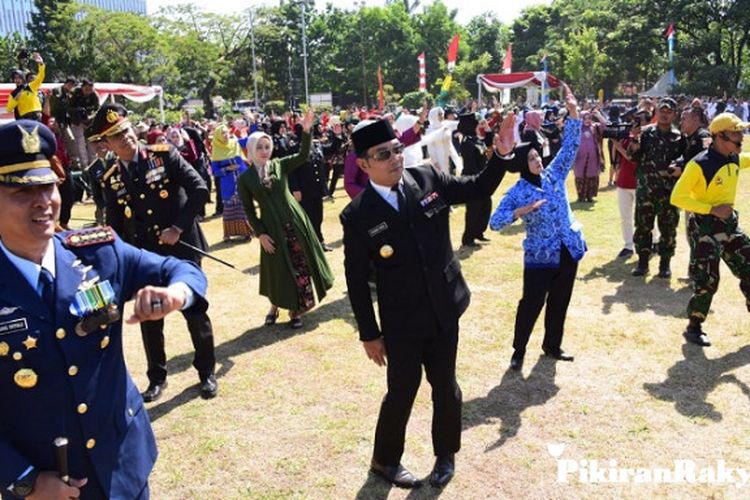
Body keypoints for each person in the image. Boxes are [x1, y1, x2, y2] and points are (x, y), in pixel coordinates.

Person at [0, 120, 208, 499]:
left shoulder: (96, 252)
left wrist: (176, 294)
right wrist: (23, 479)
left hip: (123, 468)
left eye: (48, 186)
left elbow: (180, 269)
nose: (43, 201)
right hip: (46, 487)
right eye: (21, 191)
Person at [340, 113, 520, 489]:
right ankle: (385, 461)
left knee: (446, 385)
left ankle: (445, 455)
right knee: (402, 390)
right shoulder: (357, 216)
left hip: (443, 307)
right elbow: (356, 282)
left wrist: (500, 157)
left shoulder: (428, 178)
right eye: (382, 154)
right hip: (401, 319)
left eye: (396, 149)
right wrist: (369, 334)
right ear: (363, 164)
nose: (394, 158)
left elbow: (478, 187)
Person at [94, 103, 218, 402]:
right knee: (150, 319)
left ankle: (206, 372)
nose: (125, 138)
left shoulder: (164, 155)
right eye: (116, 136)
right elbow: (115, 226)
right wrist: (119, 260)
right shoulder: (110, 178)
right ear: (106, 144)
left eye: (125, 130)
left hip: (181, 248)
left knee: (194, 311)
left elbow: (200, 188)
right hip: (144, 256)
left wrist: (177, 226)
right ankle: (157, 378)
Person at [489, 89, 583, 371]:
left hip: (567, 249)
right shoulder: (518, 191)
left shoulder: (553, 175)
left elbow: (570, 148)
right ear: (522, 165)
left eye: (537, 156)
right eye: (531, 159)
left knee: (560, 301)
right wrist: (521, 212)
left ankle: (552, 345)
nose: (538, 161)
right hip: (540, 256)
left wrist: (574, 113)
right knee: (531, 303)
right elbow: (495, 221)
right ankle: (519, 350)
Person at [238, 109, 334, 329]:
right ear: (251, 150)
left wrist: (306, 131)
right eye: (259, 147)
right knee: (279, 270)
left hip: (296, 223)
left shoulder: (280, 164)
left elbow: (302, 155)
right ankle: (274, 306)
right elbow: (249, 210)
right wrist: (260, 234)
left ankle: (296, 310)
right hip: (271, 229)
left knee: (301, 265)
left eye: (267, 146)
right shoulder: (245, 178)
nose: (264, 151)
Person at [670, 113, 750, 347]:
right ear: (720, 136)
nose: (741, 137)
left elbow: (747, 159)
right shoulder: (699, 164)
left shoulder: (733, 157)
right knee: (707, 279)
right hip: (704, 227)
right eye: (736, 133)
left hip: (729, 226)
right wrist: (711, 209)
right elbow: (678, 197)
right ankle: (694, 327)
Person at [629, 97, 686, 278]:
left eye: (669, 112)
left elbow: (685, 162)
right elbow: (632, 157)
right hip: (646, 190)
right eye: (662, 110)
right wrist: (634, 141)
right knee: (643, 227)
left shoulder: (679, 138)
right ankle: (642, 263)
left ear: (674, 115)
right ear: (657, 112)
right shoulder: (645, 133)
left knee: (668, 229)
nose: (665, 114)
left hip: (668, 192)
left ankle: (665, 264)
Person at [209, 125, 254, 241]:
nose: (225, 135)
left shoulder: (235, 143)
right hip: (228, 184)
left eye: (226, 132)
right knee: (230, 209)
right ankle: (228, 234)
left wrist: (250, 126)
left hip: (242, 180)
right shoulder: (217, 150)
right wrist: (227, 169)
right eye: (222, 133)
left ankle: (247, 232)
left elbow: (251, 139)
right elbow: (215, 172)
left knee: (244, 206)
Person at [458, 111, 494, 247]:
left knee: (486, 206)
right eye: (475, 124)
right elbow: (470, 165)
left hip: (482, 177)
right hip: (473, 179)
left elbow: (487, 144)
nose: (478, 125)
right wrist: (478, 179)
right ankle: (468, 238)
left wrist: (487, 129)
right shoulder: (467, 143)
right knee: (473, 209)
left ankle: (479, 232)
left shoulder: (476, 139)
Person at [69, 79, 100, 168]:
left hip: (90, 122)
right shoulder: (74, 93)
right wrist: (78, 110)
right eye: (86, 89)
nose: (88, 92)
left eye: (90, 89)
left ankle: (93, 164)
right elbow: (68, 108)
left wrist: (90, 116)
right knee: (80, 144)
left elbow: (97, 109)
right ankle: (84, 165)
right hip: (77, 121)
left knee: (92, 142)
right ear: (82, 87)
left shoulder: (94, 95)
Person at [6, 53, 45, 121]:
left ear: (23, 78)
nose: (17, 80)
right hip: (24, 119)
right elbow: (9, 109)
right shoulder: (13, 93)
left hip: (36, 117)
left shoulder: (30, 86)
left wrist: (41, 64)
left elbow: (40, 77)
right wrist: (16, 98)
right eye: (15, 78)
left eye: (19, 78)